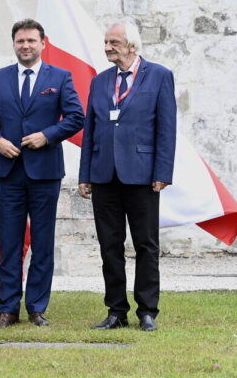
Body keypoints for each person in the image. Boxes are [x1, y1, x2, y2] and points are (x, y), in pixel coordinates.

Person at [0, 19, 84, 328]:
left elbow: (76, 117)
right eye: (20, 41)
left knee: (43, 243)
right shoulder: (0, 78)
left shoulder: (60, 77)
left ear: (42, 43)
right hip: (10, 173)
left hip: (45, 173)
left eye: (31, 41)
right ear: (14, 44)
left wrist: (47, 135)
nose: (26, 46)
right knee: (10, 243)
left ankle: (36, 307)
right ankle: (7, 308)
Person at [79, 21, 176, 332]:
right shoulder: (100, 81)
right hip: (104, 175)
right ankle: (116, 311)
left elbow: (166, 128)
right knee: (110, 245)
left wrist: (162, 172)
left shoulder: (159, 75)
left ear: (132, 46)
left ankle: (147, 311)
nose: (108, 47)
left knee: (146, 244)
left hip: (142, 175)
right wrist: (85, 174)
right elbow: (90, 129)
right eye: (106, 42)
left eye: (114, 42)